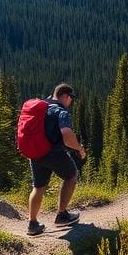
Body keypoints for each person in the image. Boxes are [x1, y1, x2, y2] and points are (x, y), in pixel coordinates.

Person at [26, 83, 86, 236]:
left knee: (38, 187)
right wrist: (79, 148)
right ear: (65, 96)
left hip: (35, 152)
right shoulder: (61, 111)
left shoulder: (41, 106)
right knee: (71, 176)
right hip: (53, 152)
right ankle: (62, 215)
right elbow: (66, 134)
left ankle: (32, 224)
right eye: (71, 98)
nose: (71, 102)